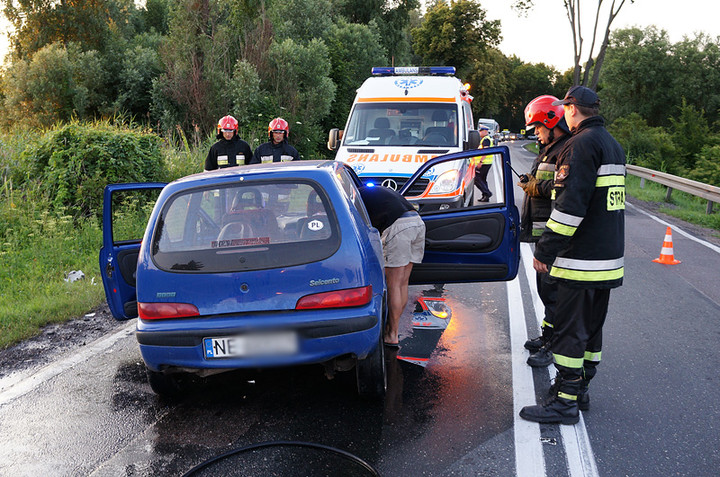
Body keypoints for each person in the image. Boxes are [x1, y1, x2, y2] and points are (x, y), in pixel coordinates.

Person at [519, 85, 626, 425]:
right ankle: (580, 392)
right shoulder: (612, 145)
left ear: (572, 109)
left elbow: (569, 208)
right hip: (606, 259)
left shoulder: (579, 146)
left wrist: (546, 250)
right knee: (591, 332)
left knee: (569, 331)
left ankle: (563, 402)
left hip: (579, 260)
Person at [520, 95, 571, 368]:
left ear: (552, 122)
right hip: (545, 234)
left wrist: (535, 187)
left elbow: (563, 191)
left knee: (554, 294)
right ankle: (547, 335)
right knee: (545, 290)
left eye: (538, 128)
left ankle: (554, 345)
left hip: (555, 235)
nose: (536, 134)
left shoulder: (565, 150)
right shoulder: (550, 148)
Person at [359, 185, 426, 347]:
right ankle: (392, 329)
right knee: (403, 282)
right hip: (417, 223)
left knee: (394, 284)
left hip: (398, 227)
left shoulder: (353, 196)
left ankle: (392, 334)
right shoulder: (375, 191)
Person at [474, 125, 494, 202]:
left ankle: (487, 193)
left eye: (481, 131)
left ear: (485, 131)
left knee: (477, 179)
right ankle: (485, 197)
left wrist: (480, 162)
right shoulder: (484, 139)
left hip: (484, 163)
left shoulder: (486, 140)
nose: (479, 132)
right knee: (483, 179)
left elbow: (485, 151)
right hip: (486, 162)